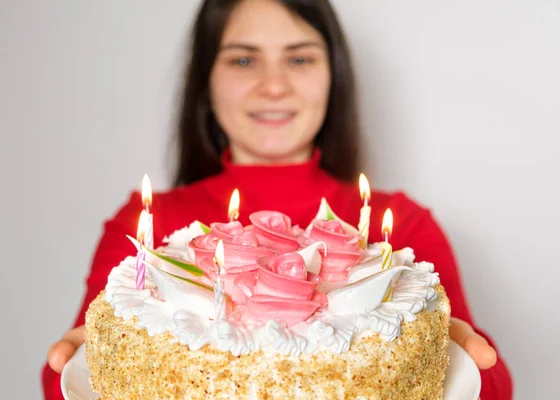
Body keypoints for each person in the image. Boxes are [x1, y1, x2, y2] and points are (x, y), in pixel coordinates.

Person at [42, 0, 513, 398]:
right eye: (243, 60)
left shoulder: (400, 231)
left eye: (300, 58)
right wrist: (102, 352)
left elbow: (487, 378)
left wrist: (435, 350)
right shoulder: (151, 224)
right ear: (206, 78)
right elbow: (67, 369)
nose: (273, 85)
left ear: (335, 75)